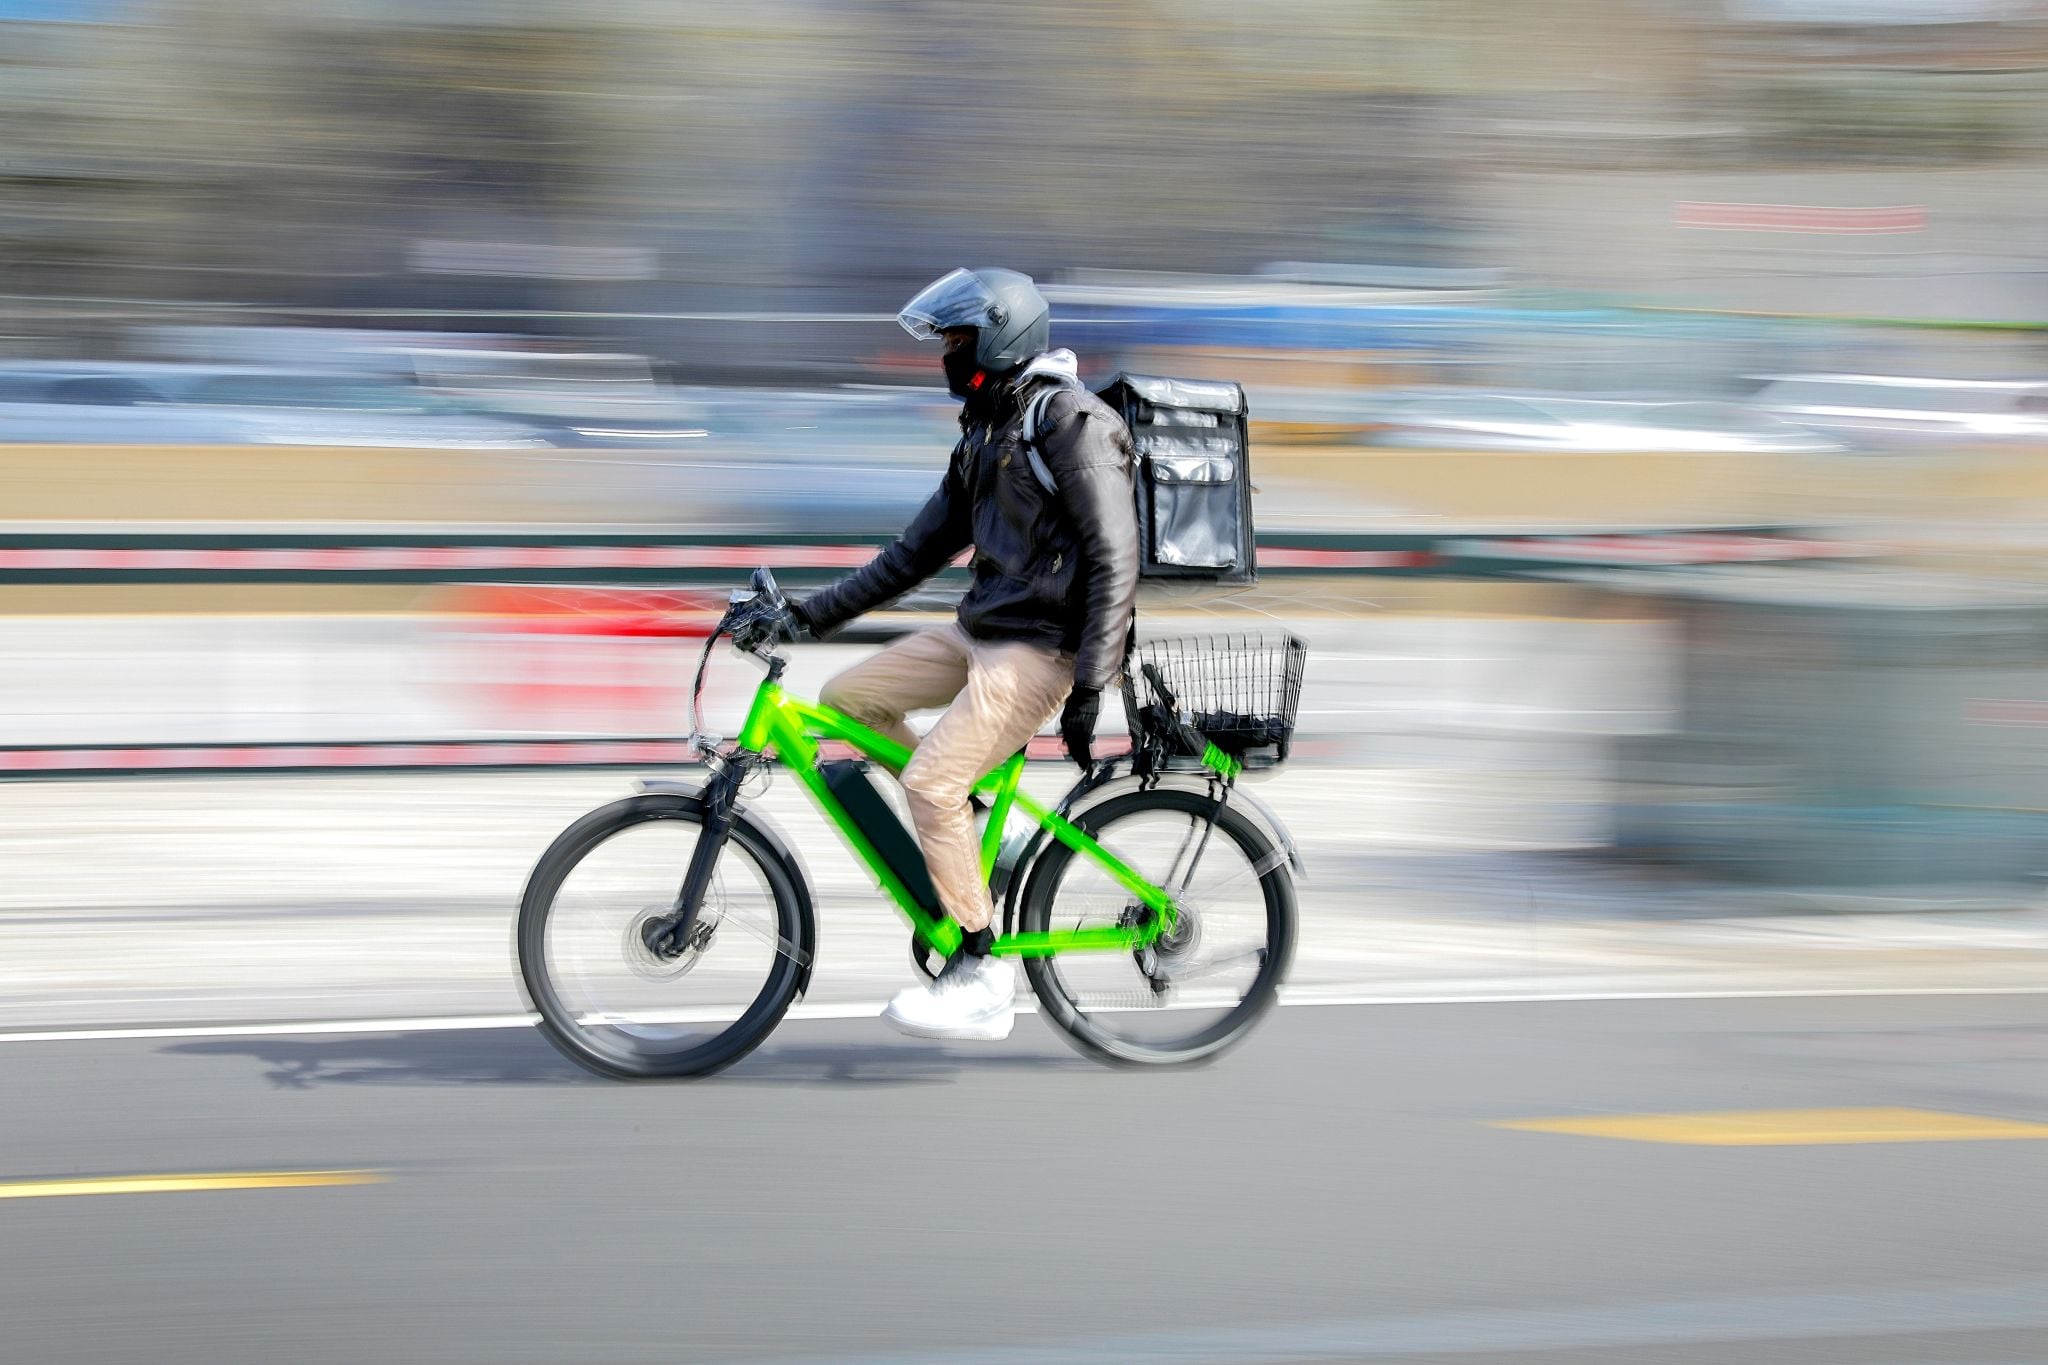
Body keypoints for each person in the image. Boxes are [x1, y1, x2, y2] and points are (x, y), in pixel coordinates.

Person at [785, 267, 1138, 1042]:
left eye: (955, 340)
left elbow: (1116, 554)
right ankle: (989, 832)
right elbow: (912, 554)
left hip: (1044, 649)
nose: (945, 354)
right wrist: (802, 617)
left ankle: (980, 969)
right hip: (982, 631)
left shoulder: (1069, 422)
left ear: (998, 336)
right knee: (849, 699)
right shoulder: (986, 429)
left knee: (930, 782)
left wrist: (1090, 684)